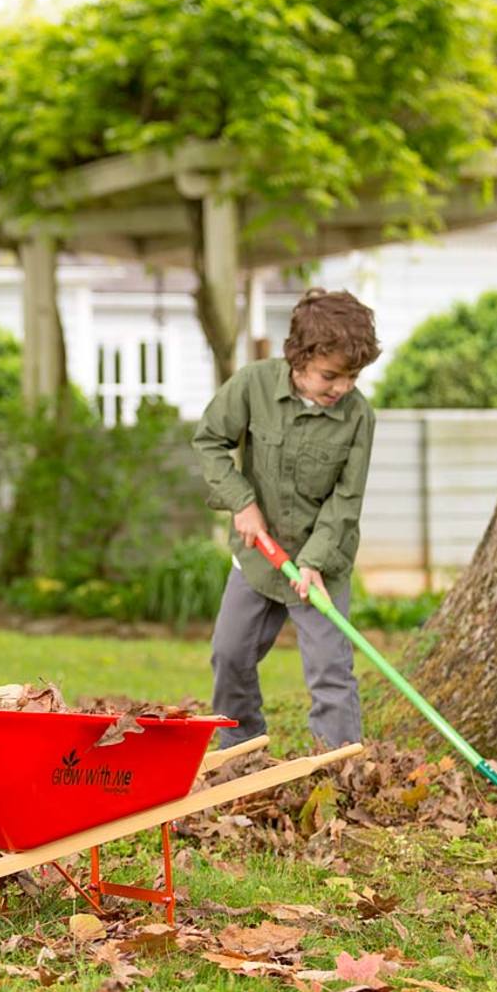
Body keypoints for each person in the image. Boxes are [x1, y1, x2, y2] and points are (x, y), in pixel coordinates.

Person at [193, 287, 380, 751]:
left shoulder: (358, 417)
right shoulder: (254, 385)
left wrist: (315, 560)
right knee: (230, 653)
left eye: (352, 376)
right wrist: (242, 502)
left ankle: (339, 766)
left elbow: (346, 498)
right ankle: (242, 751)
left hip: (321, 564)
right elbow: (209, 441)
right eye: (330, 375)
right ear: (298, 358)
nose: (342, 387)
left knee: (330, 671)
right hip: (259, 557)